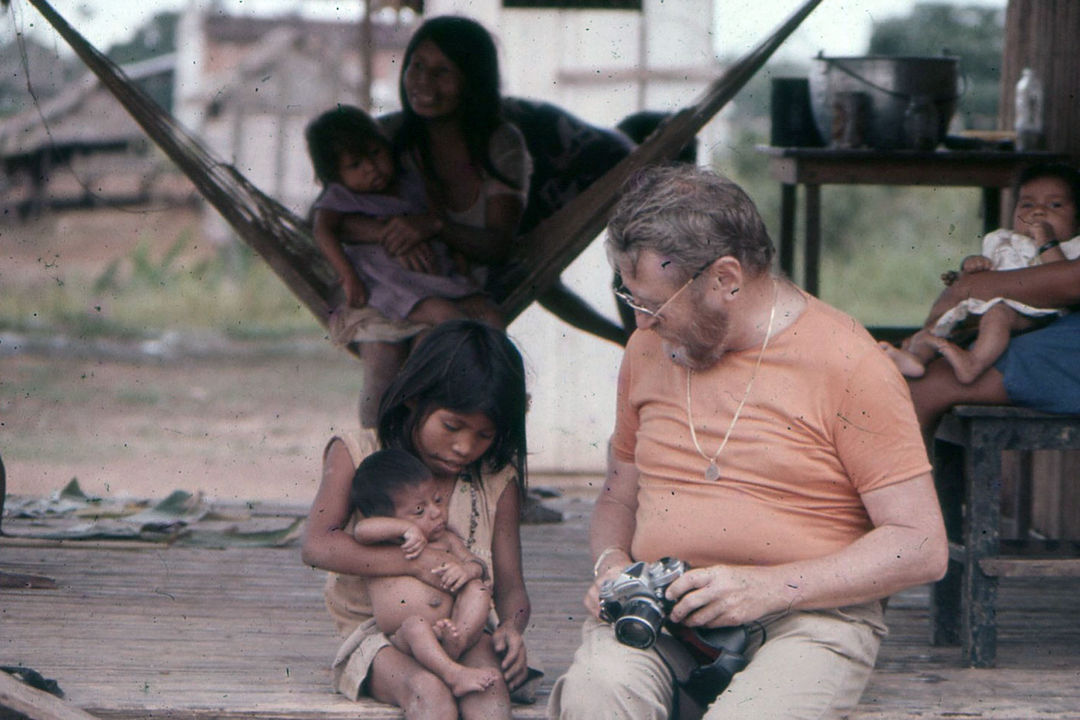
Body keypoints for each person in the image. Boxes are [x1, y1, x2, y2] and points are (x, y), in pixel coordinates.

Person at [547, 165, 947, 720]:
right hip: (663, 610)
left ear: (726, 279)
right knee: (596, 697)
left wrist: (770, 588)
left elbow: (921, 545)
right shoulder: (647, 348)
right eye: (631, 299)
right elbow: (618, 495)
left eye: (653, 305)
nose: (640, 326)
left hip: (809, 615)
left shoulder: (850, 361)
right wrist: (611, 565)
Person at [301, 319, 533, 720]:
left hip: (466, 628)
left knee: (490, 694)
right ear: (413, 399)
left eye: (483, 435)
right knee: (429, 692)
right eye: (451, 425)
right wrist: (419, 563)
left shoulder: (496, 481)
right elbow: (318, 544)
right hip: (382, 637)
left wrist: (512, 628)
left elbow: (511, 587)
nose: (464, 447)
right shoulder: (359, 453)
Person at [343, 16, 532, 428]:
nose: (424, 83)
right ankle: (381, 477)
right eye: (417, 66)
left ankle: (434, 479)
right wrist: (392, 234)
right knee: (383, 358)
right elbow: (330, 219)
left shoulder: (500, 144)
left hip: (463, 292)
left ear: (473, 80)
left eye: (443, 71)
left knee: (439, 359)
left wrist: (434, 226)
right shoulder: (385, 138)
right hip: (384, 292)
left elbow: (498, 244)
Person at [904, 162, 1080, 438]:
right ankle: (915, 352)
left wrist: (972, 286)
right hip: (999, 314)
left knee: (926, 385)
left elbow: (1069, 281)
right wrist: (973, 271)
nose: (1038, 212)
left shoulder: (1069, 247)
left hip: (1040, 321)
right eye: (1026, 205)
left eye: (1056, 206)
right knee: (941, 336)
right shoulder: (1007, 241)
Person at [304, 104, 501, 335]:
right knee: (450, 319)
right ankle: (473, 365)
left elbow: (438, 220)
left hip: (439, 278)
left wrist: (459, 261)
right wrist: (348, 275)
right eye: (355, 165)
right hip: (394, 287)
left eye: (375, 153)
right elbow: (321, 230)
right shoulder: (341, 196)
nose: (371, 168)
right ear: (335, 175)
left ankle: (500, 369)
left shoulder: (411, 183)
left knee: (491, 315)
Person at [349, 448, 499, 697]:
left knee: (479, 589)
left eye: (438, 500)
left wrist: (465, 570)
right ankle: (453, 674)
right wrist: (405, 528)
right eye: (419, 510)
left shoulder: (448, 539)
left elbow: (477, 565)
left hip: (450, 627)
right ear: (386, 517)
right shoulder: (390, 540)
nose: (436, 512)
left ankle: (459, 640)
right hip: (404, 636)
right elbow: (362, 530)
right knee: (416, 625)